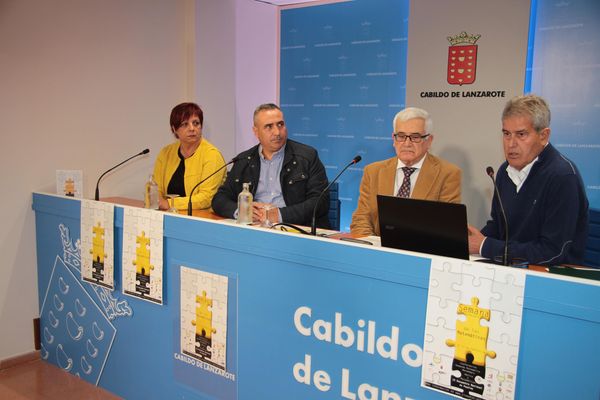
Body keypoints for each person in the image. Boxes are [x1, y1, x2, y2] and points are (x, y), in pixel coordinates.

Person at [468, 94, 589, 265]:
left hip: (552, 274)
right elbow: (500, 227)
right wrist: (471, 240)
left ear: (543, 136)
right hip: (511, 267)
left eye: (521, 134)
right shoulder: (504, 172)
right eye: (506, 134)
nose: (511, 144)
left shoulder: (562, 177)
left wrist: (485, 246)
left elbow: (551, 252)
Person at [211, 103, 330, 227]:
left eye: (280, 124)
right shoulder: (243, 160)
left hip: (294, 227)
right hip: (255, 228)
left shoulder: (307, 157)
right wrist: (242, 210)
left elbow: (320, 201)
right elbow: (219, 199)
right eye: (269, 126)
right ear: (256, 132)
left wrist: (280, 215)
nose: (277, 132)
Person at [350, 107, 461, 236]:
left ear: (429, 141)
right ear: (393, 139)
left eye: (415, 137)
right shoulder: (373, 171)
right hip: (377, 246)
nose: (407, 143)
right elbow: (361, 220)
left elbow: (446, 227)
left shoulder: (447, 174)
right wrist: (373, 245)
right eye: (401, 136)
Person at [153, 102, 226, 211]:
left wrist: (169, 204)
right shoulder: (166, 153)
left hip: (201, 217)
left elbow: (206, 198)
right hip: (169, 214)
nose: (192, 128)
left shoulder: (212, 155)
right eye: (185, 124)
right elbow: (155, 189)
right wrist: (156, 200)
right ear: (174, 129)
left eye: (196, 123)